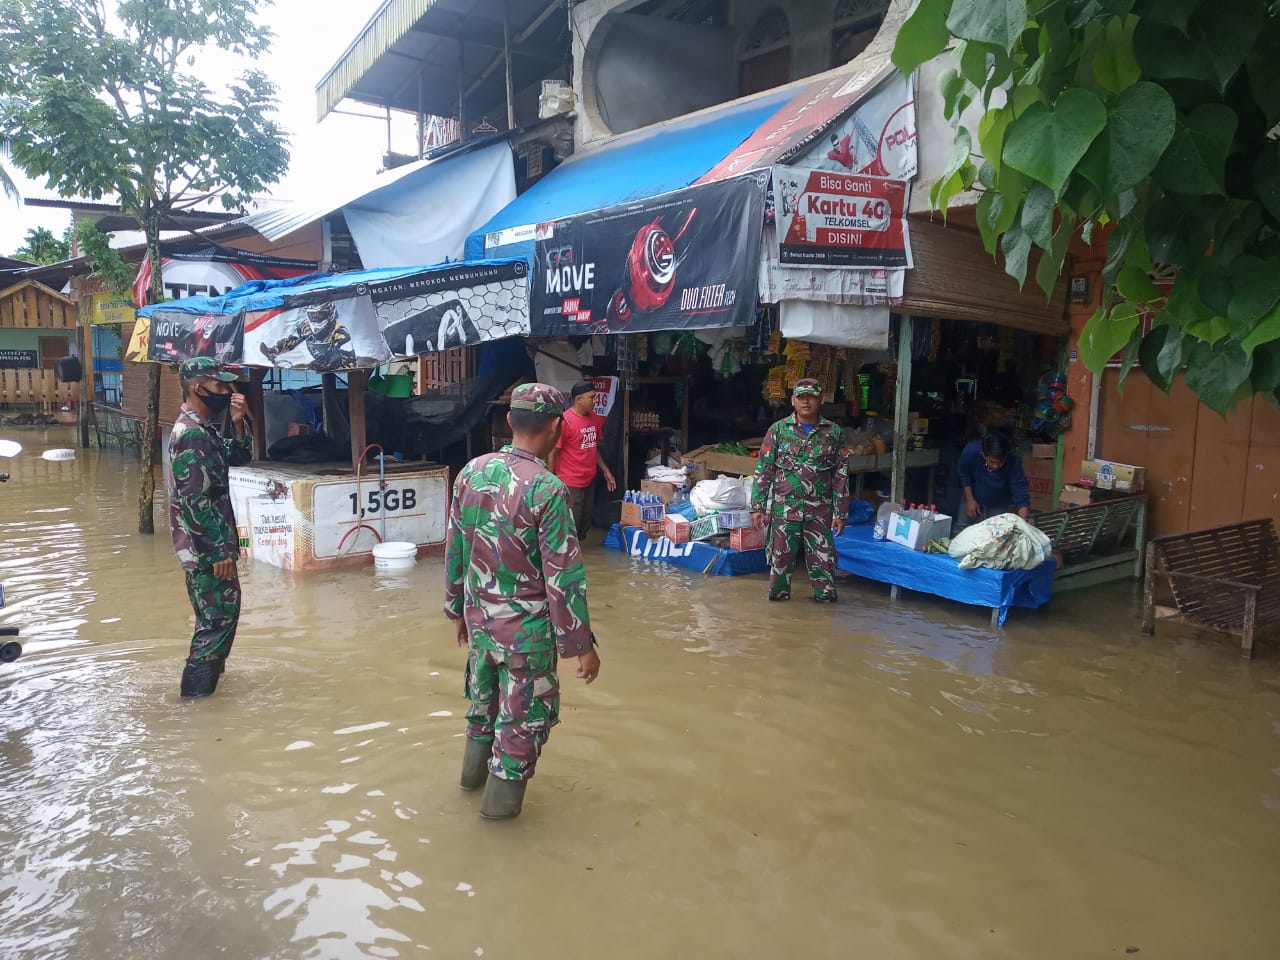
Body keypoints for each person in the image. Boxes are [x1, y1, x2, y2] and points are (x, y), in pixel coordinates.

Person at [444, 382, 602, 821]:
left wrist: (457, 609)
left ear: (510, 420)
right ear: (555, 428)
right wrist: (582, 646)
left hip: (480, 626)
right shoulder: (547, 489)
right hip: (526, 638)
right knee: (520, 728)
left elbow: (455, 548)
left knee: (482, 712)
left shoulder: (471, 473)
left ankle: (469, 789)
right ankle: (496, 825)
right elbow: (563, 576)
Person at [168, 357, 253, 699]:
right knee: (216, 623)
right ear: (197, 387)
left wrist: (238, 423)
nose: (226, 392)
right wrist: (217, 552)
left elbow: (238, 457)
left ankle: (208, 697)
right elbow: (194, 501)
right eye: (219, 386)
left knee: (217, 619)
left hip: (207, 546)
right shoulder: (191, 434)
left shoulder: (204, 431)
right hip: (207, 549)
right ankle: (195, 705)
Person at [750, 378, 850, 603]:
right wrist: (757, 507)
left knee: (823, 565)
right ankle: (778, 612)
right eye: (801, 397)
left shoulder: (834, 432)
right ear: (793, 400)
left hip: (820, 512)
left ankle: (824, 609)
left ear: (821, 399)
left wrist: (840, 512)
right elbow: (764, 470)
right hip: (785, 511)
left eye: (811, 397)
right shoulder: (778, 430)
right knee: (780, 564)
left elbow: (841, 475)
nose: (806, 402)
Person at [547, 381, 616, 541]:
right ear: (578, 399)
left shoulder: (594, 419)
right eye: (592, 397)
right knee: (571, 526)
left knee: (584, 526)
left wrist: (605, 471)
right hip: (570, 482)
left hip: (589, 480)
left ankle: (581, 554)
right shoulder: (565, 421)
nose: (596, 401)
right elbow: (553, 453)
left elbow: (592, 447)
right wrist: (550, 481)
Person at [956, 431, 1031, 530]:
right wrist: (970, 499)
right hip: (972, 495)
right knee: (962, 528)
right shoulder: (970, 451)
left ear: (1007, 455)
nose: (996, 466)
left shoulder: (1013, 461)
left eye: (1000, 462)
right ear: (983, 455)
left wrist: (1023, 523)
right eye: (992, 462)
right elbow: (964, 475)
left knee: (994, 533)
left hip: (999, 503)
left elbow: (1020, 491)